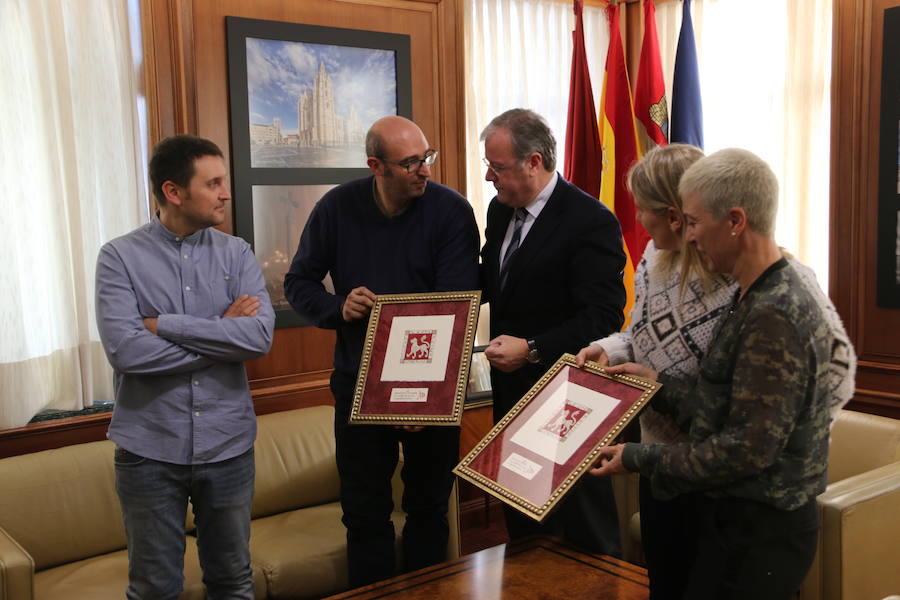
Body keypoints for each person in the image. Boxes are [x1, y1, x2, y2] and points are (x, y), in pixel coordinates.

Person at [575, 144, 856, 600]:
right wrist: (658, 387)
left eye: (694, 222)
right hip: (723, 505)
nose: (687, 236)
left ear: (735, 221)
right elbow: (721, 402)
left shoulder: (775, 306)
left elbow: (747, 446)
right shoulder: (755, 292)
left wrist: (637, 458)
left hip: (754, 518)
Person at [283, 116, 479, 587]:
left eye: (427, 157)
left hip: (433, 385)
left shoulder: (451, 211)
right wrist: (337, 306)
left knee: (429, 509)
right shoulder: (336, 208)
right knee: (365, 512)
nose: (424, 170)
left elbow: (455, 306)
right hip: (358, 385)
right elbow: (298, 282)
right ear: (377, 166)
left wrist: (423, 395)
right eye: (410, 162)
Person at [95, 135, 275, 599]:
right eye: (213, 183)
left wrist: (164, 325)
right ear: (174, 192)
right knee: (155, 589)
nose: (225, 192)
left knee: (233, 583)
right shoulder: (118, 258)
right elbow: (127, 352)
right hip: (148, 450)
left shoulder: (237, 253)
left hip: (229, 445)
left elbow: (257, 337)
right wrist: (221, 332)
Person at [479, 108, 627, 554]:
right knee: (523, 526)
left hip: (567, 397)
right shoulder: (500, 210)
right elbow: (493, 279)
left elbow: (603, 318)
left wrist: (534, 349)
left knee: (584, 527)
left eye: (498, 167)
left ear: (534, 162)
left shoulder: (589, 220)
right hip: (511, 394)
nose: (489, 177)